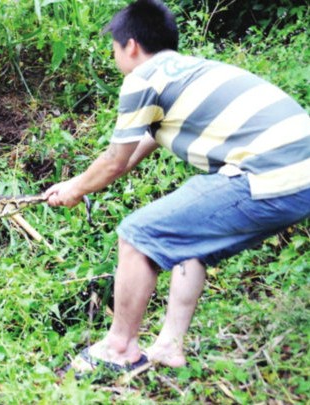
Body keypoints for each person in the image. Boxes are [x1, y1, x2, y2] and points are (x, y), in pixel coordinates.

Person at [45, 0, 310, 374]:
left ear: (131, 45)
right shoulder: (189, 72)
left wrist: (76, 189)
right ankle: (169, 346)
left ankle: (119, 347)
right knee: (188, 240)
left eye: (115, 48)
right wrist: (76, 185)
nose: (116, 56)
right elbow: (134, 153)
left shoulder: (143, 77)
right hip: (300, 180)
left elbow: (113, 161)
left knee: (137, 234)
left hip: (268, 174)